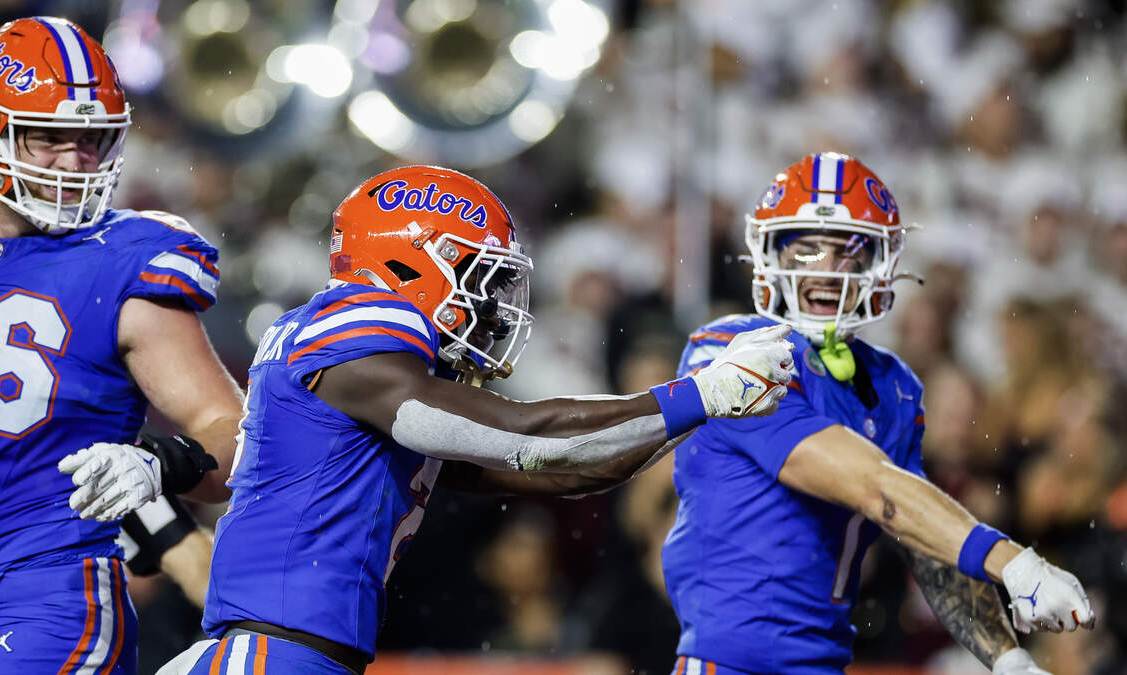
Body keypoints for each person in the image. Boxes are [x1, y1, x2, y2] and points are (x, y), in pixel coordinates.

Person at [150, 165, 795, 674]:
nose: (490, 305)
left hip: (284, 653)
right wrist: (702, 392)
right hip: (271, 657)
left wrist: (705, 409)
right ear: (408, 263)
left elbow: (571, 470)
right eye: (476, 276)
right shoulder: (360, 332)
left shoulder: (369, 402)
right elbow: (533, 441)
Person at [662, 152, 1095, 675]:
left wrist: (1008, 659)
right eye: (807, 250)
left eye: (849, 251)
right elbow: (870, 485)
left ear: (880, 263)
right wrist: (1015, 563)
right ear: (770, 255)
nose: (828, 269)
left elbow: (923, 538)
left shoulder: (892, 385)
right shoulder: (731, 350)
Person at [0, 16, 243, 673]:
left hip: (39, 597)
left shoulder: (126, 259)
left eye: (92, 140)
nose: (76, 162)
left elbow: (234, 435)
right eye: (49, 137)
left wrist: (165, 464)